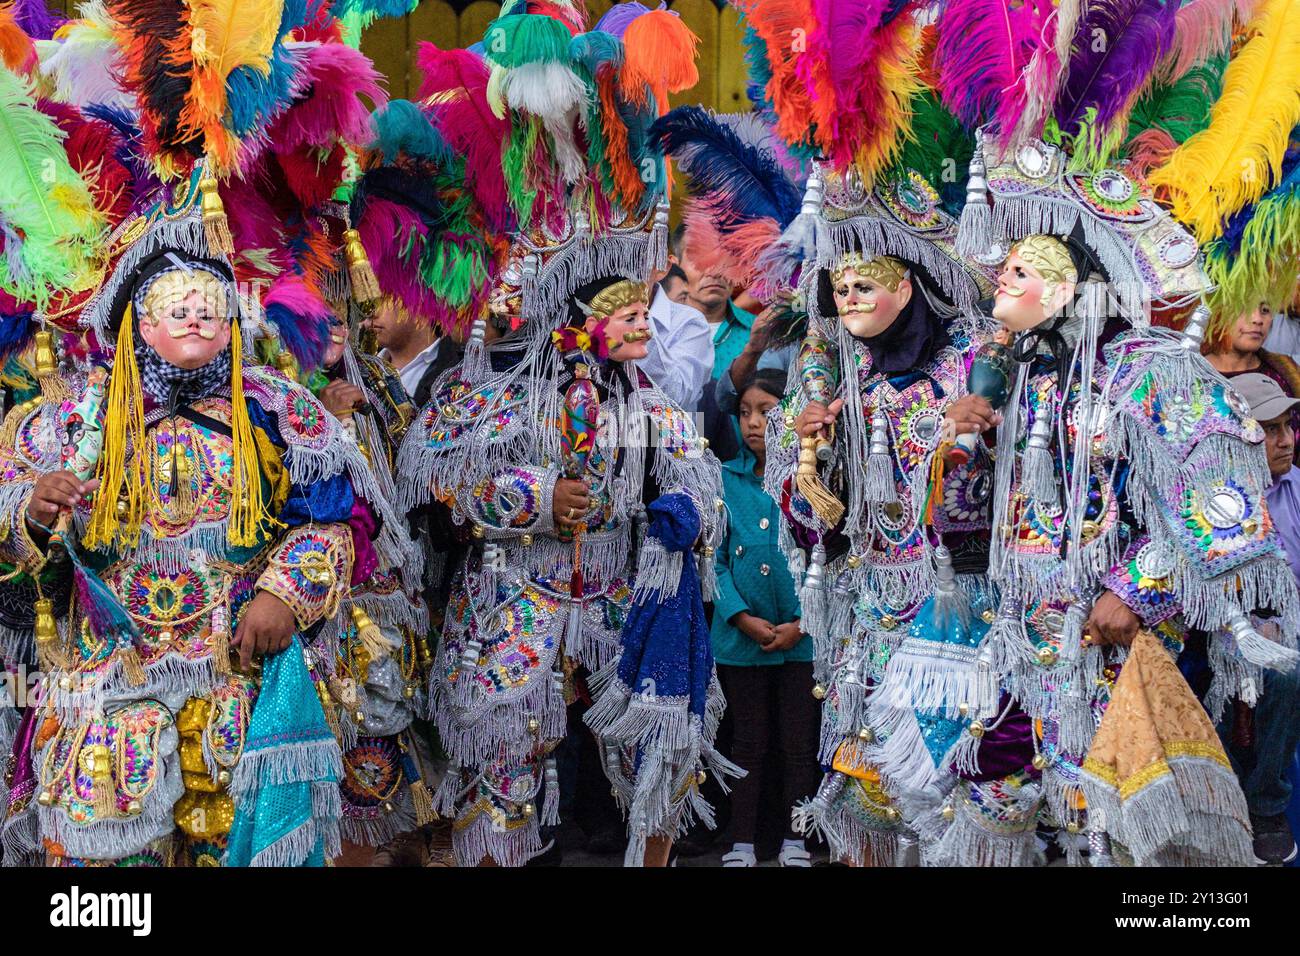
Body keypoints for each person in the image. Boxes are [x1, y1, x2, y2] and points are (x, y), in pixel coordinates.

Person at [389, 6, 734, 867]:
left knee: (661, 758)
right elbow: (444, 476)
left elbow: (696, 472)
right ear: (578, 319)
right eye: (623, 315)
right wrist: (539, 497)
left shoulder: (647, 398)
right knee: (501, 773)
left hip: (624, 593)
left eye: (641, 312)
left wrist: (680, 518)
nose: (641, 329)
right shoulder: (502, 392)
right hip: (515, 600)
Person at [712, 368, 817, 867]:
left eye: (768, 413)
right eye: (745, 413)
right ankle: (742, 841)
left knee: (799, 741)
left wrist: (805, 620)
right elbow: (710, 560)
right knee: (747, 740)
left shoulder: (812, 476)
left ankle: (797, 837)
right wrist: (739, 616)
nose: (754, 423)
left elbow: (825, 554)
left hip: (803, 636)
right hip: (741, 639)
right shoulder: (722, 478)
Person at [1215, 373, 1300, 864]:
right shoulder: (1209, 494)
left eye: (1289, 425)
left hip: (1285, 622)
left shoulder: (1294, 489)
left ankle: (1266, 801)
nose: (1286, 440)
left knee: (1287, 668)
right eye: (1270, 429)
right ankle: (1234, 801)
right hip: (1215, 629)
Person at [364, 298, 444, 409]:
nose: (370, 311)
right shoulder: (359, 367)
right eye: (363, 301)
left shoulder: (462, 367)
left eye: (383, 298)